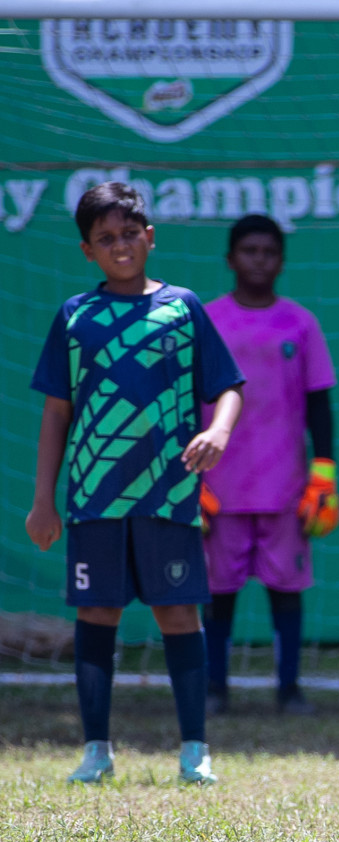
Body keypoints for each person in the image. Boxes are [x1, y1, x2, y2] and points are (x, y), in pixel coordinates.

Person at [26, 181, 245, 785]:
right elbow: (56, 414)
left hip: (168, 496)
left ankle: (194, 750)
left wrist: (219, 431)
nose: (120, 246)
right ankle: (96, 748)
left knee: (179, 615)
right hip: (94, 499)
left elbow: (228, 386)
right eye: (105, 239)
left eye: (129, 234)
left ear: (150, 237)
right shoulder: (76, 316)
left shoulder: (183, 308)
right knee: (97, 614)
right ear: (86, 251)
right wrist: (44, 501)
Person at [200, 214, 339, 717]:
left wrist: (323, 473)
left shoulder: (299, 323)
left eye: (269, 252)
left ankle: (289, 689)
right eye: (249, 251)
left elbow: (319, 402)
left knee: (287, 591)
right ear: (230, 259)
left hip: (285, 486)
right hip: (219, 485)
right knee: (217, 594)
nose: (259, 260)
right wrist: (190, 477)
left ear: (281, 261)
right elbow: (185, 402)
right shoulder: (207, 319)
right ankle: (214, 689)